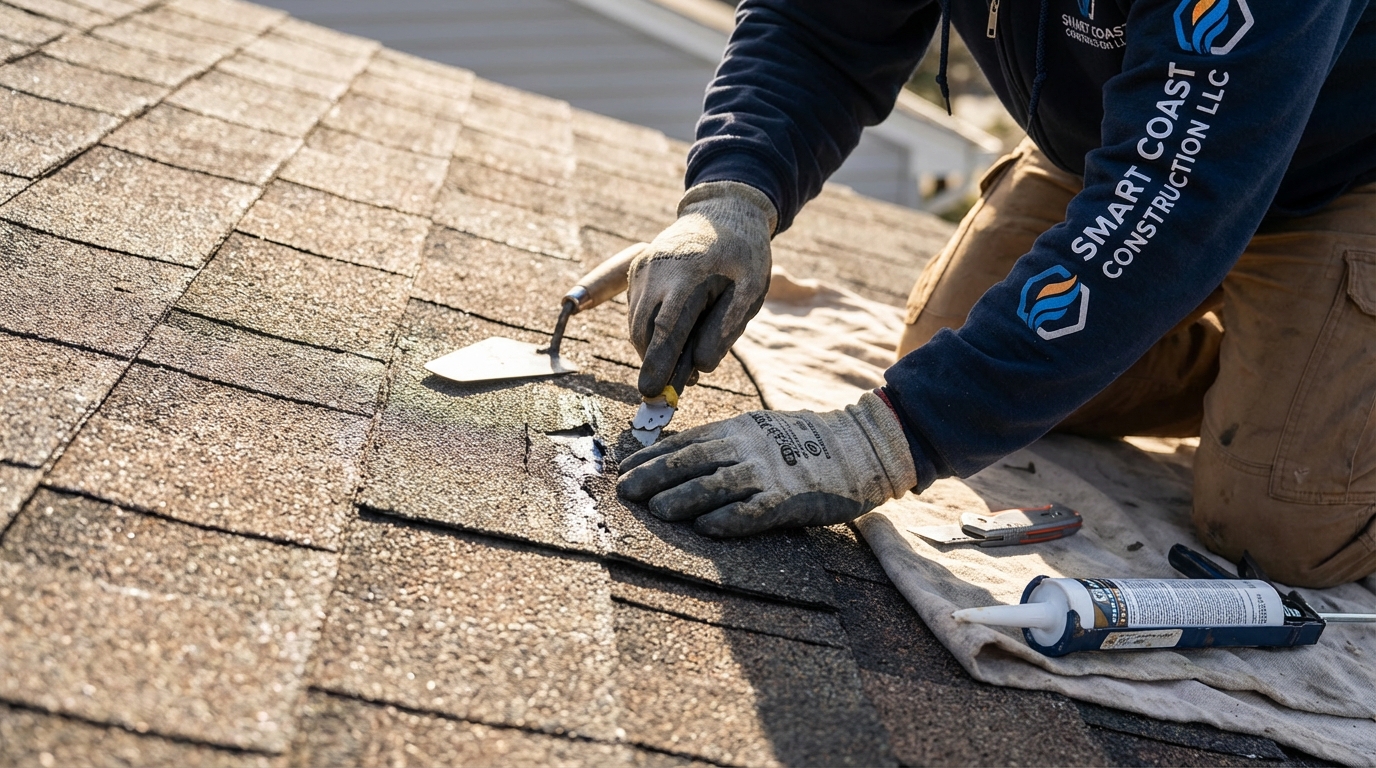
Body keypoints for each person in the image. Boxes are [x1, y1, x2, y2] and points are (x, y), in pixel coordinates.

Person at [615, 0, 1376, 588]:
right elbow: (818, 27)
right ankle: (1258, 373)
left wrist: (889, 439)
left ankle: (1321, 399)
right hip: (1124, 139)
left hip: (1342, 175)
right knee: (953, 349)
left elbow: (1175, 201)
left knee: (1281, 523)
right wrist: (733, 196)